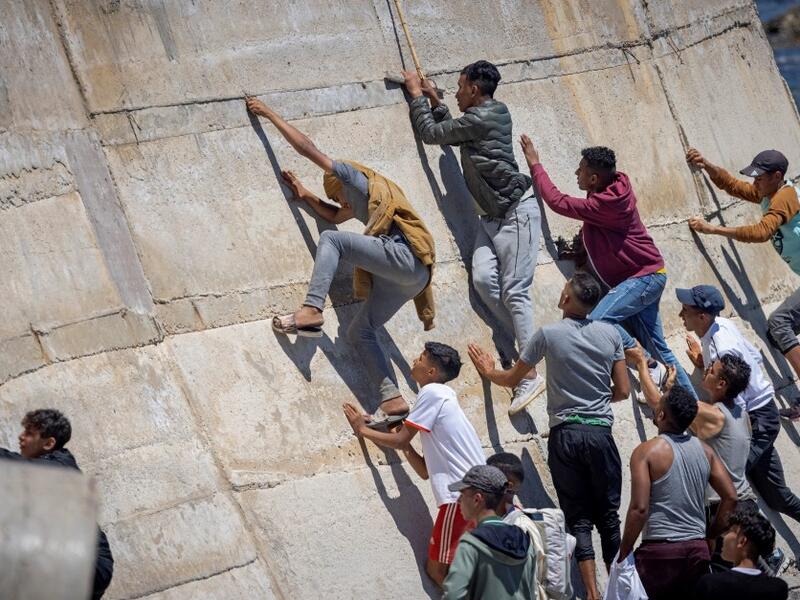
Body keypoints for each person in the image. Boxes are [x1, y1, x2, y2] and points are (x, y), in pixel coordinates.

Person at [247, 97, 435, 428]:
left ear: (343, 185)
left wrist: (269, 114)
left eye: (338, 196)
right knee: (360, 331)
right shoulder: (365, 201)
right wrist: (305, 194)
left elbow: (307, 148)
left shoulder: (353, 178)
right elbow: (334, 216)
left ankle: (311, 310)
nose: (341, 203)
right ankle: (392, 400)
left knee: (331, 240)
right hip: (414, 278)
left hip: (405, 254)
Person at [469, 272, 630, 600]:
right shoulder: (611, 334)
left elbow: (512, 378)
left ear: (566, 299)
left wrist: (488, 371)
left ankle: (591, 593)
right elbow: (624, 391)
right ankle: (620, 590)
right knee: (609, 518)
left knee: (579, 518)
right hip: (600, 434)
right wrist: (598, 399)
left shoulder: (548, 334)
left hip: (565, 435)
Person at [401, 60, 544, 415]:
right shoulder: (485, 115)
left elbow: (432, 134)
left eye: (460, 86)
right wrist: (436, 102)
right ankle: (531, 351)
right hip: (491, 219)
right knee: (482, 279)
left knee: (515, 292)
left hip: (514, 215)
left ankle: (528, 374)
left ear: (474, 90)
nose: (456, 92)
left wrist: (416, 95)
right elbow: (456, 130)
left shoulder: (482, 118)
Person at [519, 134, 696, 397]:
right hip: (648, 275)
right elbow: (600, 229)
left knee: (596, 320)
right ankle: (691, 407)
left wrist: (535, 164)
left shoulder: (605, 203)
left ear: (594, 178)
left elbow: (558, 202)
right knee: (659, 346)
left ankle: (648, 364)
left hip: (643, 278)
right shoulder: (611, 189)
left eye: (581, 169)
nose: (576, 172)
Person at [342, 342, 485, 587]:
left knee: (437, 571)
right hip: (476, 496)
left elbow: (400, 440)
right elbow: (425, 471)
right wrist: (402, 442)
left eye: (421, 358)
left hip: (461, 498)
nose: (415, 361)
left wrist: (362, 430)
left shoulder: (432, 393)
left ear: (431, 372)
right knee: (462, 574)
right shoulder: (444, 398)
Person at [685, 148, 800, 421]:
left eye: (760, 177)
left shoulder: (785, 197)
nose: (755, 182)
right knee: (777, 334)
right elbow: (735, 187)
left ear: (777, 176)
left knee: (779, 324)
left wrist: (714, 229)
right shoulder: (769, 193)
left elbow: (761, 232)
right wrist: (707, 165)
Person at [678, 284, 800, 523]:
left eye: (686, 310)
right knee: (776, 497)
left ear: (702, 316)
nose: (681, 315)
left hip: (755, 421)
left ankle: (754, 543)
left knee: (726, 480)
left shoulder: (722, 349)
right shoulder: (722, 325)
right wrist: (705, 363)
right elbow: (752, 357)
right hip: (764, 415)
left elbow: (737, 406)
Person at [617, 385, 737, 600]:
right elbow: (731, 496)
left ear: (661, 415)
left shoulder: (646, 452)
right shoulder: (705, 451)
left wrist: (624, 550)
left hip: (660, 554)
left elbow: (639, 509)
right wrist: (711, 535)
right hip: (697, 550)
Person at [0, 409, 114, 599]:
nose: (21, 436)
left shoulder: (60, 467)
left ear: (49, 443)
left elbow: (12, 463)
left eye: (29, 433)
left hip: (91, 564)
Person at [442, 465, 538, 600]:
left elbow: (453, 595)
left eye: (462, 495)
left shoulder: (471, 544)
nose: (458, 501)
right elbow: (532, 592)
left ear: (477, 499)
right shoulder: (525, 541)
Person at [693, 509, 789, 600]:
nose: (723, 537)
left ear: (742, 541)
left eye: (729, 532)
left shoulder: (711, 584)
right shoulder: (778, 588)